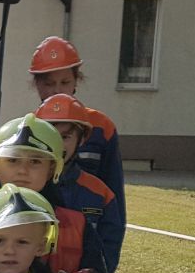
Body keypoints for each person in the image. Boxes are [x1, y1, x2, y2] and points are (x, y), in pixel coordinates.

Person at [0, 115, 108, 273]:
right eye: (12, 160)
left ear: (53, 169)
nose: (23, 171)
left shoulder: (79, 228)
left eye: (35, 161)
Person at [28, 36, 125, 231]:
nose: (57, 91)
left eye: (64, 82)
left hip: (89, 228)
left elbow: (114, 192)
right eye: (48, 83)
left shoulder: (102, 127)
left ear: (76, 81)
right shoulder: (27, 127)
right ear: (37, 84)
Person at [35, 94, 123, 273]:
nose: (57, 144)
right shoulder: (27, 185)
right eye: (49, 135)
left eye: (65, 137)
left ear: (81, 140)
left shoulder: (100, 194)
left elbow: (109, 248)